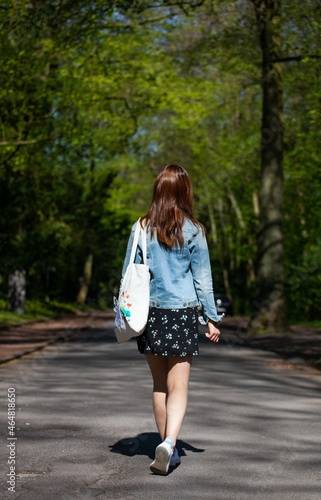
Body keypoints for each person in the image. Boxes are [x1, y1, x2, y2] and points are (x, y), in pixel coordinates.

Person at [121, 164, 221, 475]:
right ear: (184, 192)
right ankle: (169, 443)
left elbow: (129, 271)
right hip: (183, 312)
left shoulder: (141, 227)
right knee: (179, 385)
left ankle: (168, 446)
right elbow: (202, 279)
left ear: (158, 191)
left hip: (150, 314)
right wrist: (211, 318)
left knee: (159, 384)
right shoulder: (194, 230)